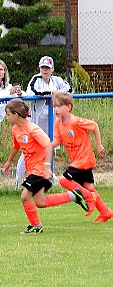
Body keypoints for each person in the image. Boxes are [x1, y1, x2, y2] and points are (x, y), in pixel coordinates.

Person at [4, 98, 89, 234]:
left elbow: (48, 144)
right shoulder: (15, 129)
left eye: (8, 114)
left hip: (40, 169)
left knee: (24, 197)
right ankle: (74, 195)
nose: (6, 117)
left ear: (16, 115)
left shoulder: (32, 129)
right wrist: (9, 162)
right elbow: (16, 147)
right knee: (40, 202)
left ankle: (36, 226)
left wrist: (47, 167)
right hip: (32, 169)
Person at [51, 91, 112, 222]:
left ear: (69, 107)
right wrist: (45, 146)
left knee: (63, 180)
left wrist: (99, 145)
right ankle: (105, 212)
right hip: (78, 161)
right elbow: (57, 141)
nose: (56, 109)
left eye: (59, 106)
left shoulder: (75, 121)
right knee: (88, 187)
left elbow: (94, 125)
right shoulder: (58, 124)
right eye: (54, 106)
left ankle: (87, 198)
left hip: (84, 159)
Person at [16, 56, 72, 184]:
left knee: (48, 147)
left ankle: (47, 176)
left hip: (52, 121)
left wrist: (56, 93)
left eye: (47, 67)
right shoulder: (36, 79)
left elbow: (69, 90)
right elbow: (33, 92)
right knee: (28, 150)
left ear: (52, 68)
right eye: (43, 67)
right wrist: (51, 93)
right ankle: (18, 181)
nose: (45, 70)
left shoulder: (57, 80)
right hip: (36, 122)